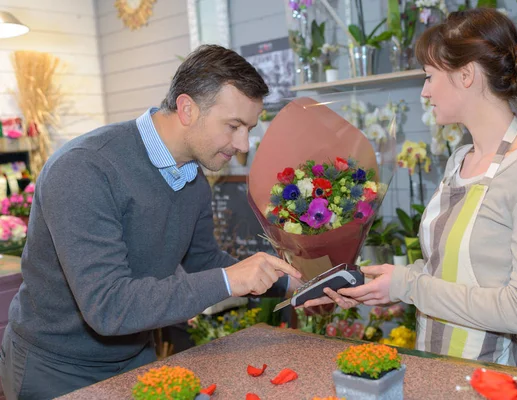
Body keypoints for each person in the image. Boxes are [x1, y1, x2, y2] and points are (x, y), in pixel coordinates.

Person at [0, 44, 302, 399]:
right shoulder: (85, 168)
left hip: (136, 355)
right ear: (187, 108)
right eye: (234, 126)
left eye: (248, 128)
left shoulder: (193, 178)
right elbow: (109, 307)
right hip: (55, 366)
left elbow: (202, 261)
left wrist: (295, 285)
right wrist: (228, 280)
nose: (244, 144)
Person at [304, 8, 517, 367]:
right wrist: (386, 281)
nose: (425, 91)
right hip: (436, 367)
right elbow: (443, 272)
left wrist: (410, 287)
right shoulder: (460, 159)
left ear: (466, 75)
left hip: (491, 379)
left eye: (430, 76)